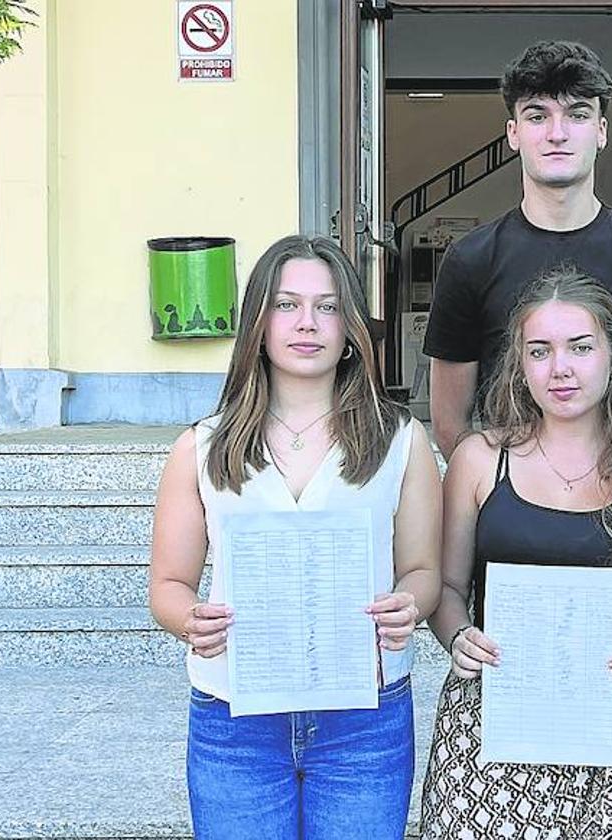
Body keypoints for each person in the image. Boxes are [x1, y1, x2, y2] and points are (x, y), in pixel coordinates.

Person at [148, 235, 442, 840]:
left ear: (351, 326)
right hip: (236, 716)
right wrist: (189, 619)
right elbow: (170, 585)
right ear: (257, 320)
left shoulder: (401, 440)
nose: (308, 324)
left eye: (328, 307)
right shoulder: (201, 447)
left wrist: (409, 604)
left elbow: (422, 571)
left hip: (364, 713)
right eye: (287, 305)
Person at [419, 267, 612, 840]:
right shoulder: (479, 460)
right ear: (519, 363)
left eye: (581, 347)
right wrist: (456, 635)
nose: (560, 368)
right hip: (487, 724)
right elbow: (445, 590)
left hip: (609, 724)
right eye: (539, 350)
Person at [424, 39, 612, 457]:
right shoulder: (469, 260)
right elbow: (449, 424)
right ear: (513, 134)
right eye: (537, 116)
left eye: (578, 114)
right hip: (510, 502)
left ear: (601, 131)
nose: (557, 133)